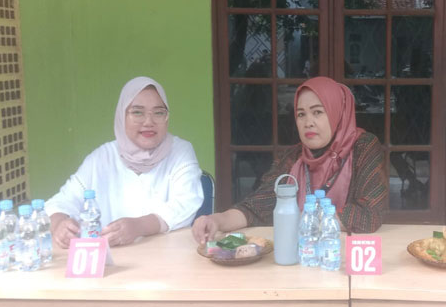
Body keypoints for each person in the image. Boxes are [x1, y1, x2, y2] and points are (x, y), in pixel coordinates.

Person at [192, 76, 387, 244]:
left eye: (317, 112)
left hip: (341, 255)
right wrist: (216, 220)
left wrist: (303, 219)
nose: (308, 122)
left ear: (338, 112)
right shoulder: (293, 158)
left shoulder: (363, 147)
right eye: (301, 114)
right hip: (302, 254)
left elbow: (370, 214)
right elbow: (256, 207)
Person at [47, 76, 203, 248]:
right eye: (137, 112)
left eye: (159, 113)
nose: (149, 122)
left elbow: (186, 204)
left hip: (167, 256)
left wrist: (139, 226)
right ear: (122, 115)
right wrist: (59, 224)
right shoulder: (102, 158)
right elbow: (61, 202)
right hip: (112, 259)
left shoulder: (180, 151)